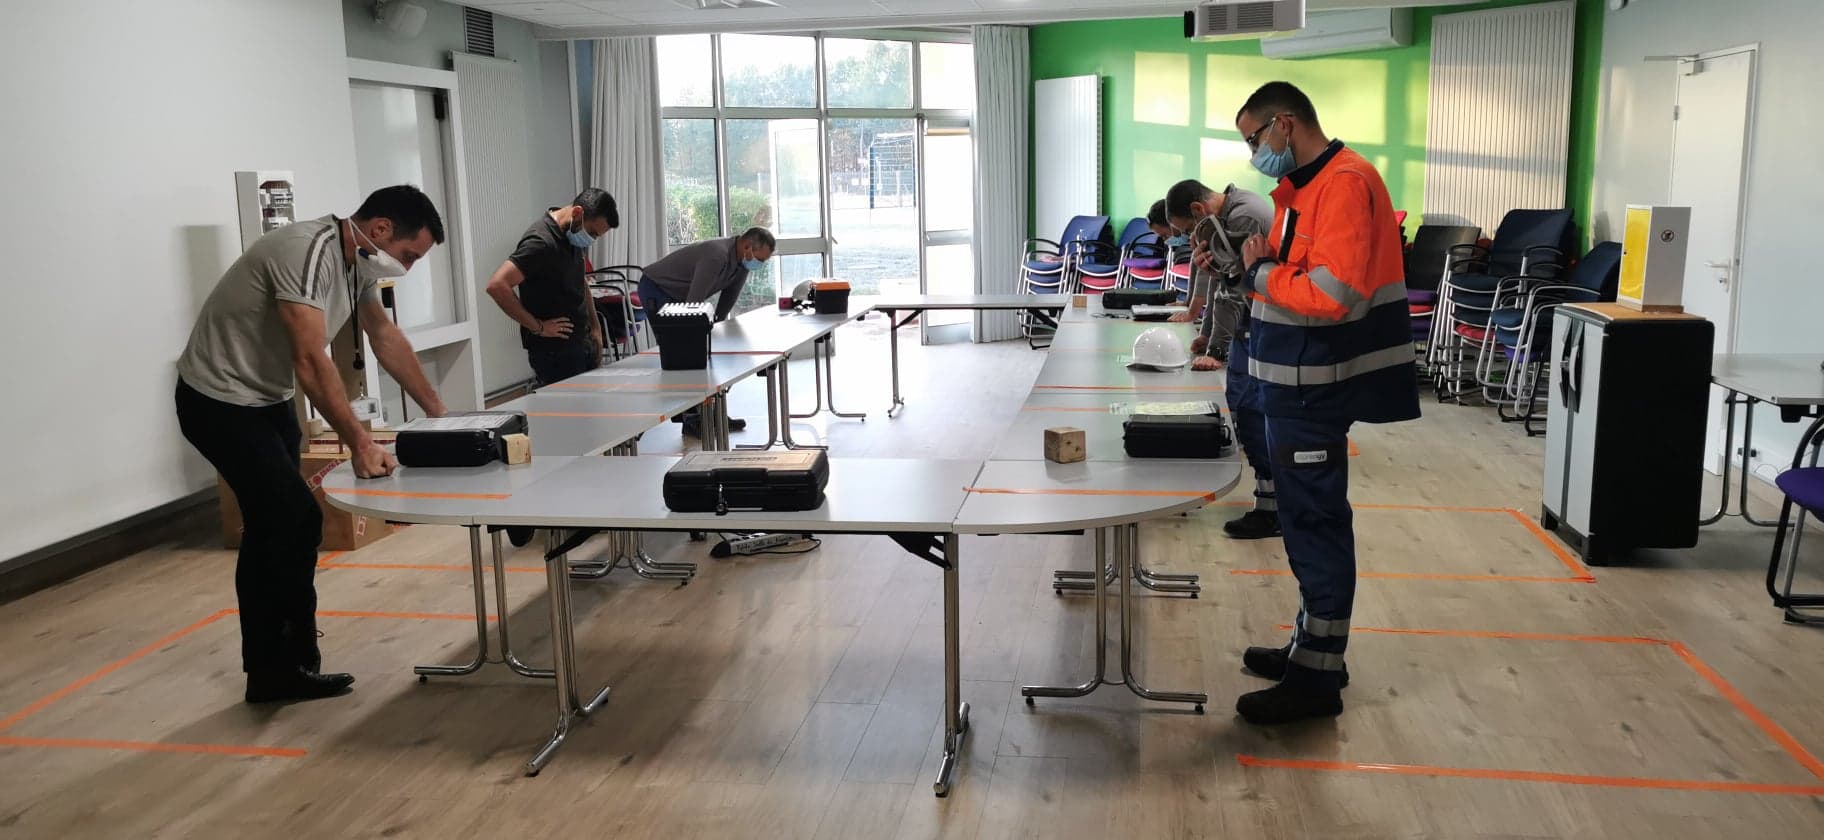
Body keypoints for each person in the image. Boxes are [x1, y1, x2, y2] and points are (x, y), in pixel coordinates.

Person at [175, 185, 450, 704]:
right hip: (218, 402)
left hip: (265, 398)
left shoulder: (358, 263)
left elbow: (383, 336)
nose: (408, 268)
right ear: (381, 230)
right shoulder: (306, 250)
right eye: (410, 255)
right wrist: (361, 444)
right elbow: (309, 358)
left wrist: (439, 414)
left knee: (288, 525)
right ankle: (274, 668)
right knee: (287, 519)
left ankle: (290, 662)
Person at [1228, 81, 1420, 724]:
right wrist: (1253, 269)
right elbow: (1289, 278)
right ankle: (1308, 648)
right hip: (1290, 381)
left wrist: (1261, 273)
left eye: (1255, 137)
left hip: (1317, 386)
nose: (1253, 151)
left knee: (1314, 524)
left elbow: (1332, 293)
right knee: (1307, 523)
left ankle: (1317, 680)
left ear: (1286, 124)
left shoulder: (1343, 183)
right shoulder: (1301, 189)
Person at [1163, 180, 1279, 541]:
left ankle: (1272, 509)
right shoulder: (1229, 214)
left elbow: (1232, 290)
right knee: (1246, 412)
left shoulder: (1244, 218)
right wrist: (1206, 333)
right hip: (1250, 323)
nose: (1189, 238)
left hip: (1262, 324)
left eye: (1187, 231)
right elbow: (1220, 280)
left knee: (1251, 412)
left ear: (1198, 211)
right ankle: (1271, 505)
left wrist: (1216, 351)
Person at [639, 227, 776, 438]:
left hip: (681, 296)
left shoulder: (742, 263)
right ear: (747, 247)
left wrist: (716, 325)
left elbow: (729, 298)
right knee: (682, 358)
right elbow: (694, 301)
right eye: (760, 259)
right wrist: (699, 334)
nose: (760, 264)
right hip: (658, 290)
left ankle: (713, 415)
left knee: (704, 356)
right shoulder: (716, 255)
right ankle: (691, 420)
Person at [485, 188, 620, 386]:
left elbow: (580, 280)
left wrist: (596, 328)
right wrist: (538, 327)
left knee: (591, 412)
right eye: (592, 233)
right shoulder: (541, 242)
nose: (591, 239)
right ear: (577, 213)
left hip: (581, 344)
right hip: (555, 354)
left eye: (597, 236)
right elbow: (497, 285)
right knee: (568, 415)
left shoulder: (571, 233)